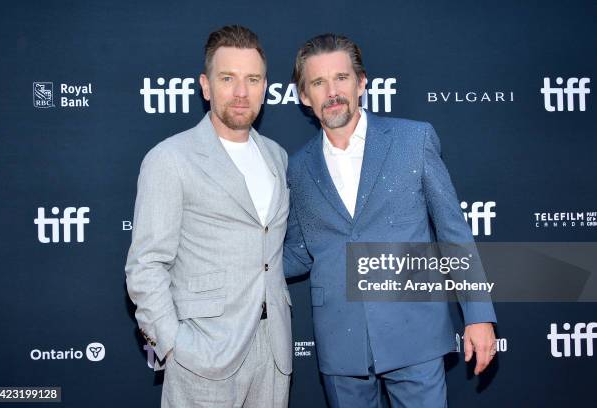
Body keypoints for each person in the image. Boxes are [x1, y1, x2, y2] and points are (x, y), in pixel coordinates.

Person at [283, 33, 497, 407]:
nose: (332, 91)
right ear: (304, 96)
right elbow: (301, 251)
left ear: (362, 82)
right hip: (341, 342)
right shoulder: (297, 168)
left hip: (415, 332)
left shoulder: (412, 139)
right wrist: (242, 262)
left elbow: (452, 232)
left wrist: (478, 315)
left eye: (341, 78)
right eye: (318, 82)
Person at [125, 25, 292, 408]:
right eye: (227, 78)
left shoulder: (277, 157)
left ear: (265, 86)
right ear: (205, 85)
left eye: (252, 79)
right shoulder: (170, 159)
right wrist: (173, 345)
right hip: (204, 353)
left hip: (274, 351)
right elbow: (146, 264)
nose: (240, 92)